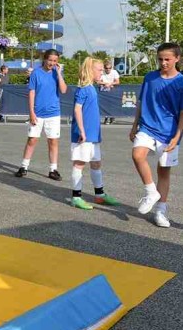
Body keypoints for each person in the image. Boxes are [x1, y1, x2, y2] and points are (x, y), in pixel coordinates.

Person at [130, 43, 183, 228]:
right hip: (147, 127)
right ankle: (150, 192)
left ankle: (161, 211)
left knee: (163, 171)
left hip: (170, 132)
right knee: (137, 155)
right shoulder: (150, 77)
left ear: (177, 59)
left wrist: (177, 135)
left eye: (167, 59)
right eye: (160, 59)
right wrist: (134, 126)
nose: (163, 62)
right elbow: (140, 103)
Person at [70, 58, 120, 210]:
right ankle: (76, 197)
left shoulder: (91, 88)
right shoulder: (83, 88)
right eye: (98, 70)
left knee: (96, 163)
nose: (101, 73)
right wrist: (82, 131)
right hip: (83, 134)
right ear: (89, 71)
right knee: (79, 164)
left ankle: (99, 195)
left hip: (93, 134)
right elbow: (77, 109)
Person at [15, 49, 67, 180]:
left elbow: (63, 90)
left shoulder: (56, 73)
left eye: (55, 61)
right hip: (38, 113)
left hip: (53, 113)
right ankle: (24, 167)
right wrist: (32, 112)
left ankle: (53, 169)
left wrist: (59, 73)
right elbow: (31, 93)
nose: (52, 63)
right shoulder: (36, 73)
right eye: (50, 60)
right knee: (32, 139)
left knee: (53, 141)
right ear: (45, 59)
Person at [98, 59, 120, 124]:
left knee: (112, 104)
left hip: (112, 90)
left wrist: (110, 84)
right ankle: (106, 118)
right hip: (104, 91)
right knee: (105, 104)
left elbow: (118, 82)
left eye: (109, 68)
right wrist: (105, 83)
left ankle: (112, 117)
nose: (108, 69)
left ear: (111, 68)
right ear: (104, 68)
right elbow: (98, 81)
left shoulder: (114, 72)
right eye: (106, 68)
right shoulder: (102, 72)